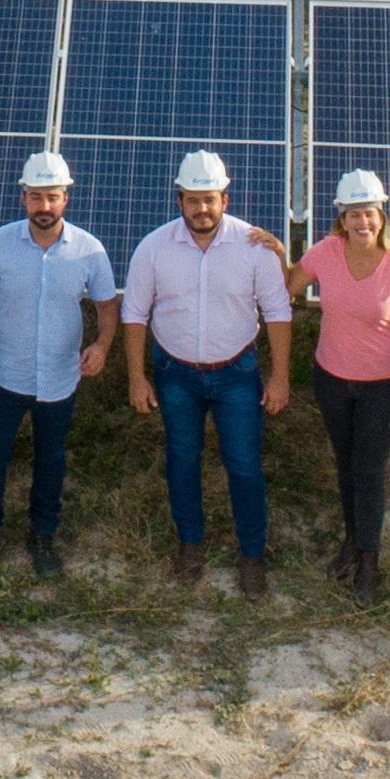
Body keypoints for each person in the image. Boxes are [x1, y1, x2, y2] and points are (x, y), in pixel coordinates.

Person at [122, 149, 297, 594]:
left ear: (226, 198)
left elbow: (277, 311)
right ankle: (191, 546)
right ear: (179, 200)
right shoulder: (153, 247)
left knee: (244, 466)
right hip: (175, 373)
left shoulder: (253, 247)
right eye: (193, 199)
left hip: (237, 372)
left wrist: (279, 377)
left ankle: (252, 555)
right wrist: (136, 378)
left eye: (210, 199)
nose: (202, 208)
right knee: (182, 461)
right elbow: (135, 314)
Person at [0, 151, 113, 579]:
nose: (44, 206)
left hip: (61, 381)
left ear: (66, 199)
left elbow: (107, 305)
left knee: (51, 462)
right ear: (23, 198)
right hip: (4, 378)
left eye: (52, 197)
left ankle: (43, 537)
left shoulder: (89, 250)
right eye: (36, 196)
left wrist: (102, 344)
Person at [296, 169, 390, 601]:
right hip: (331, 379)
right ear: (342, 219)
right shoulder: (325, 253)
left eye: (369, 213)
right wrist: (274, 250)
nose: (362, 222)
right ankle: (351, 541)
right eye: (354, 214)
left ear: (381, 216)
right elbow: (288, 284)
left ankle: (369, 562)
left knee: (369, 471)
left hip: (382, 386)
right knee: (345, 464)